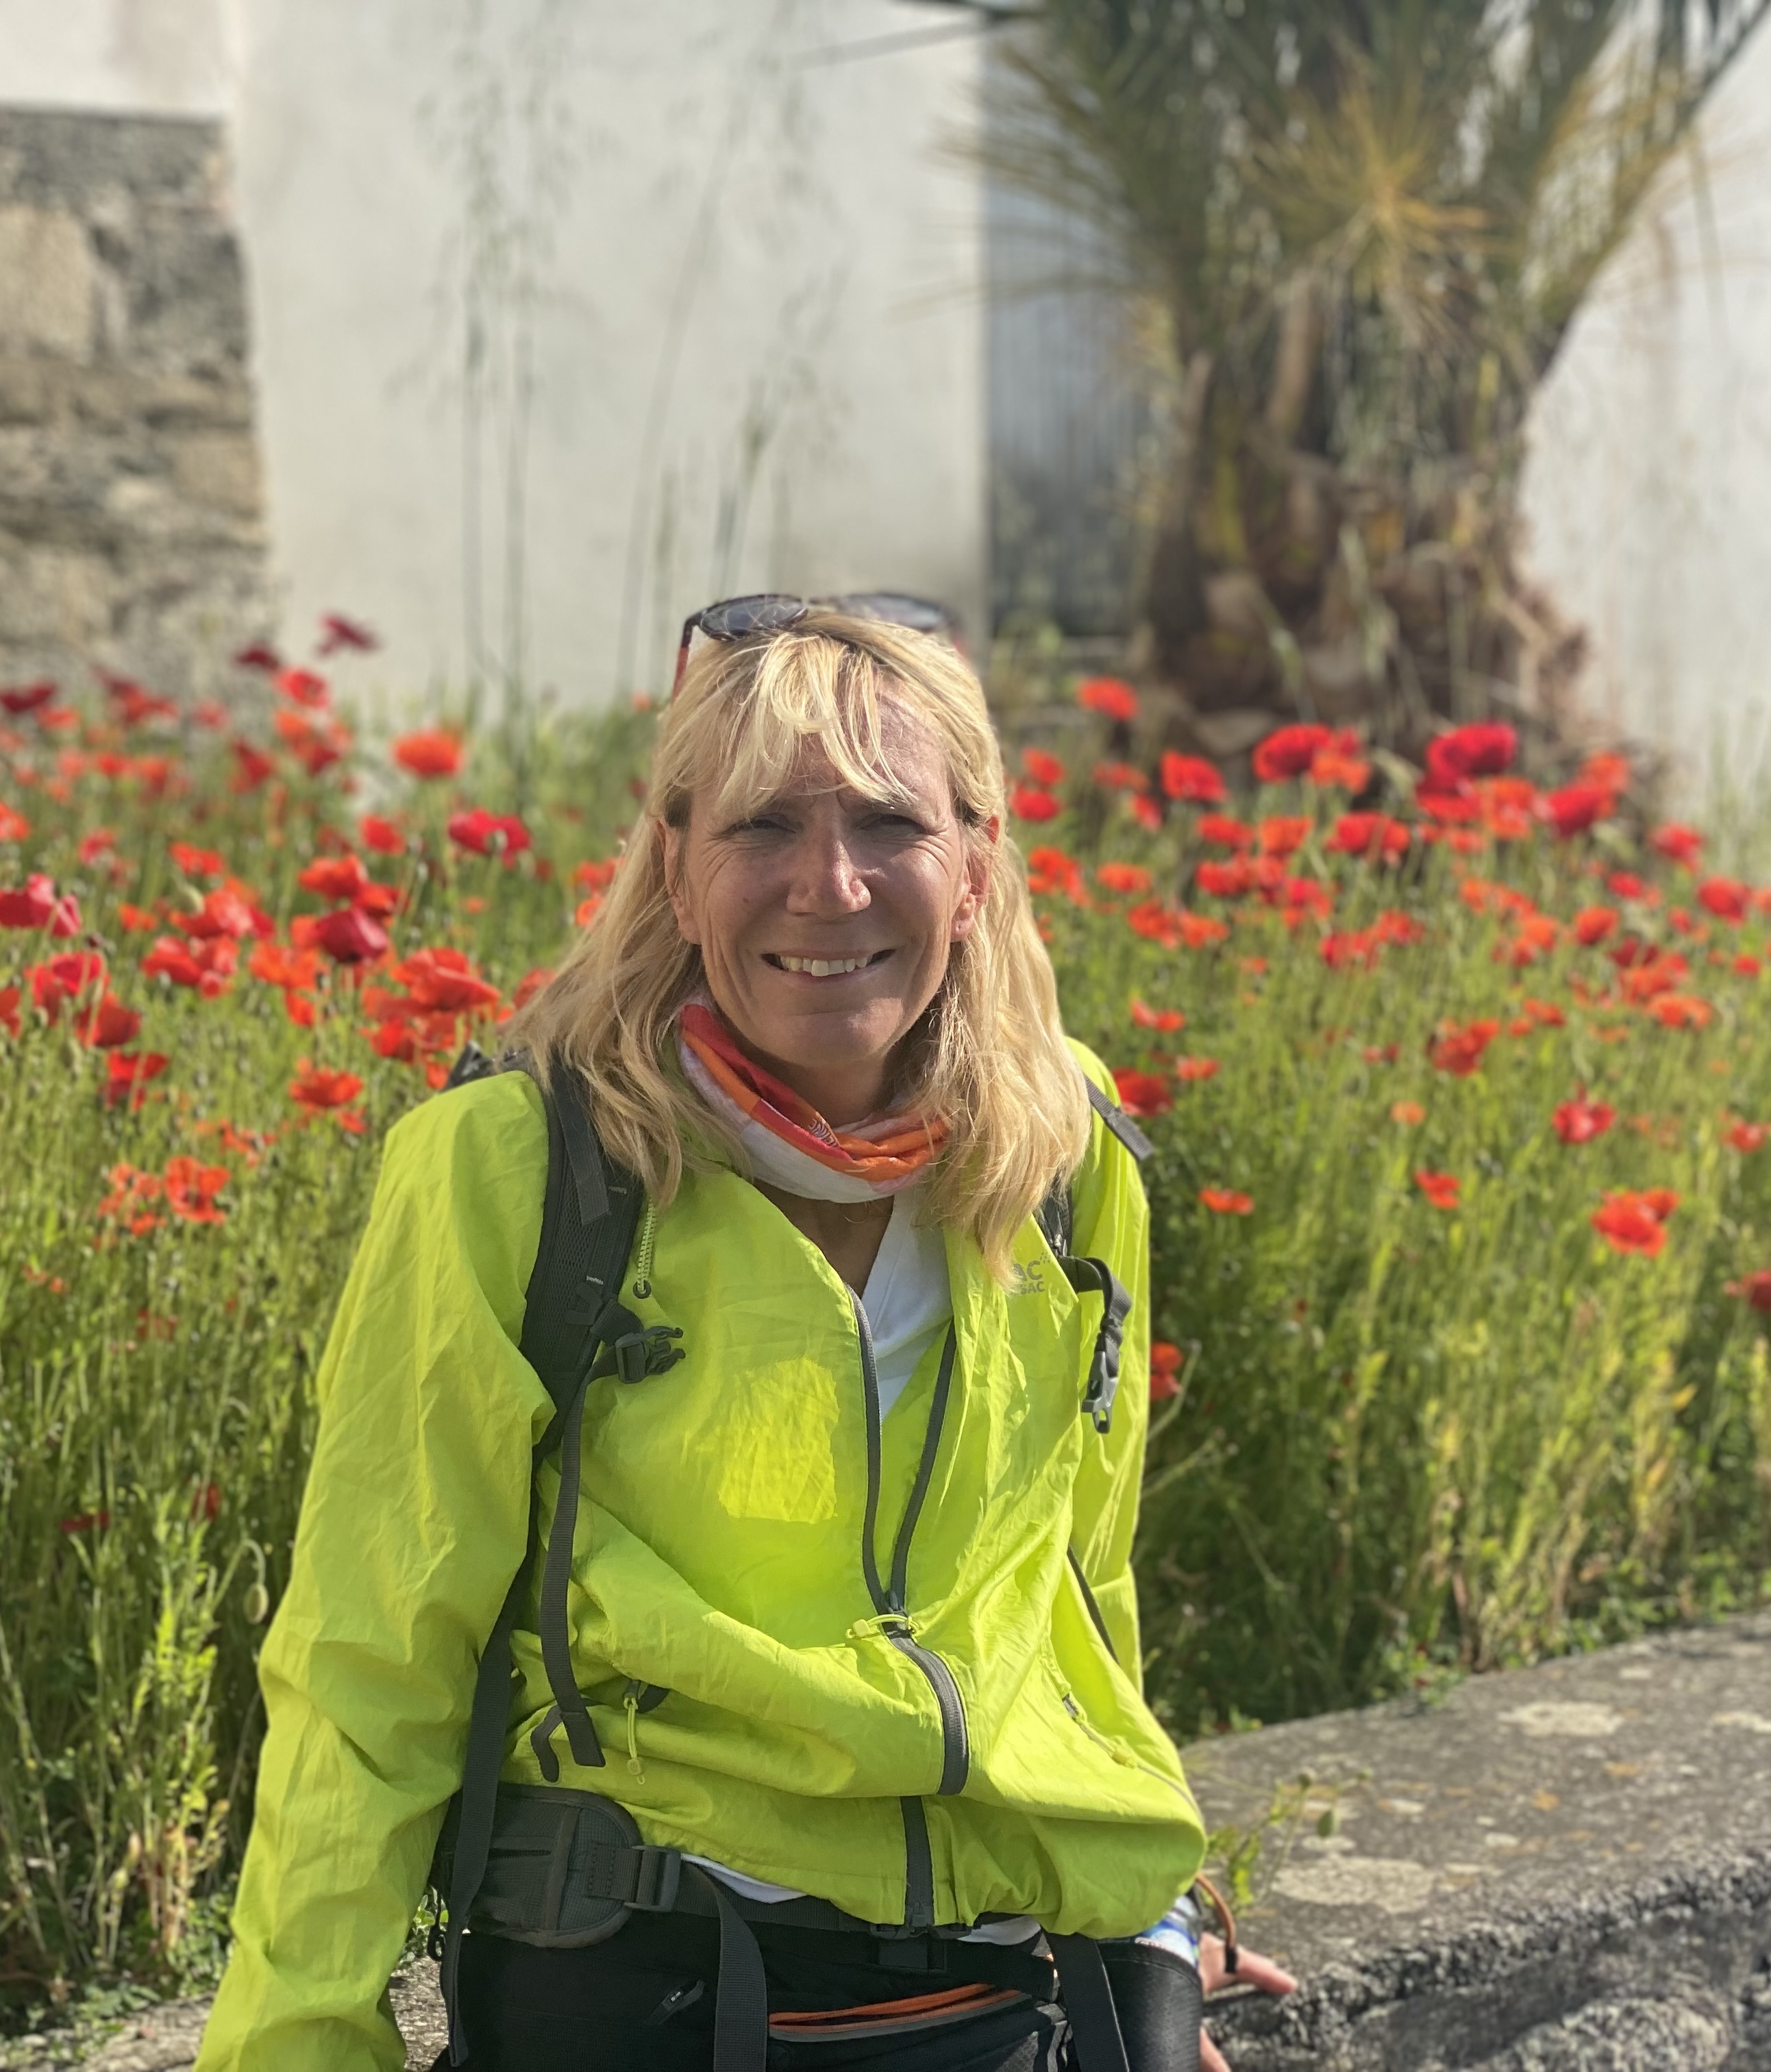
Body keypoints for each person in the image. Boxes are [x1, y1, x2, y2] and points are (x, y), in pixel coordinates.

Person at [196, 610, 1291, 2072]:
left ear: (976, 864)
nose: (829, 885)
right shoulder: (516, 1168)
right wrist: (300, 2045)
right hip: (644, 1981)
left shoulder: (1060, 1148)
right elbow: (370, 1660)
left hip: (998, 2001)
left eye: (890, 823)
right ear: (676, 868)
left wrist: (1144, 1915)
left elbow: (1079, 1594)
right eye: (764, 823)